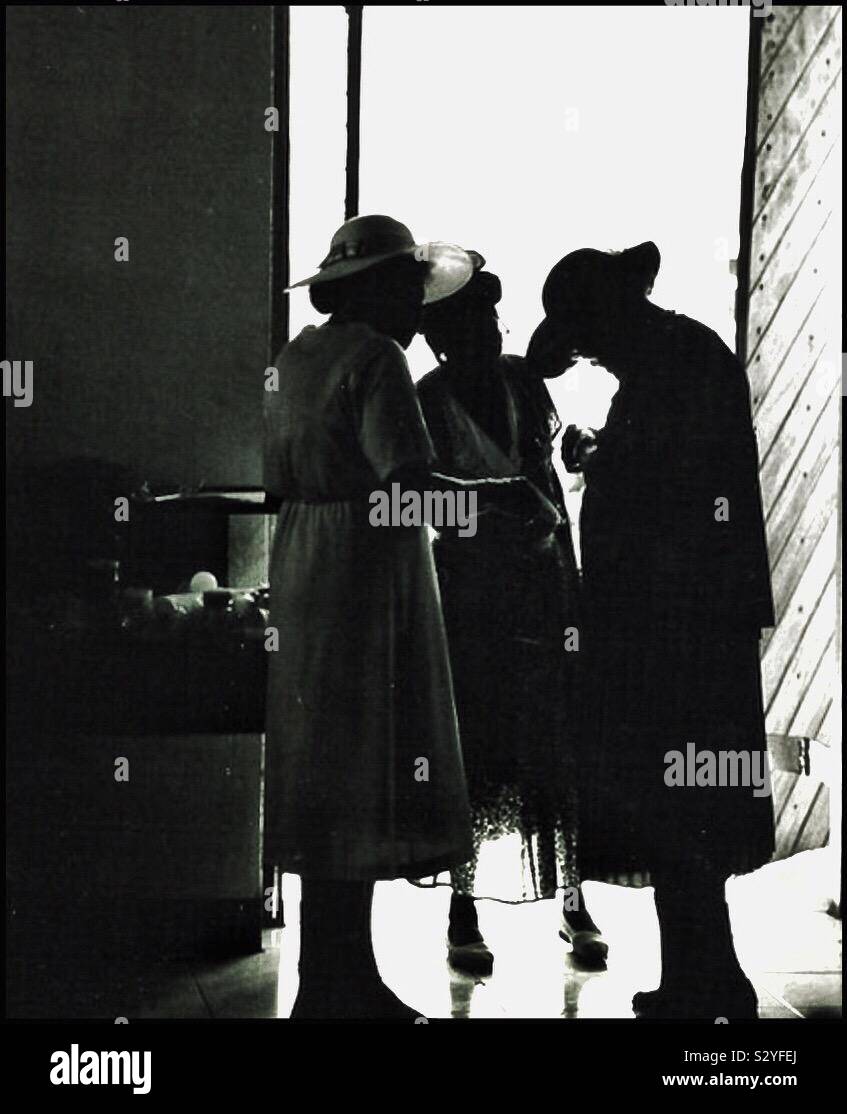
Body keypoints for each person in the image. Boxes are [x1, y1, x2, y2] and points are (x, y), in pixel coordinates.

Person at [264, 215, 559, 1019]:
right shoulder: (374, 358)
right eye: (405, 289)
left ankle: (334, 976)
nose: (415, 308)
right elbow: (406, 487)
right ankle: (341, 983)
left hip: (304, 569)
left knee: (325, 769)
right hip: (365, 574)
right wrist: (499, 500)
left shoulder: (298, 357)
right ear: (372, 290)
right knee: (363, 762)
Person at [527, 242, 776, 1019]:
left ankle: (711, 980)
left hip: (678, 637)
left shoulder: (676, 365)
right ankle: (699, 978)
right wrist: (606, 457)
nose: (590, 358)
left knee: (682, 804)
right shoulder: (675, 358)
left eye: (589, 342)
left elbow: (674, 495)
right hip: (679, 632)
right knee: (682, 808)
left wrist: (604, 466)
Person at [418, 251, 607, 976]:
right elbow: (413, 500)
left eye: (494, 320)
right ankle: (461, 911)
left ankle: (573, 902)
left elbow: (549, 471)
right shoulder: (425, 398)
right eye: (471, 326)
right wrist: (490, 506)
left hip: (544, 584)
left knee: (554, 741)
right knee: (476, 747)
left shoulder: (523, 382)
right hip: (469, 594)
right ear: (441, 339)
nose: (490, 334)